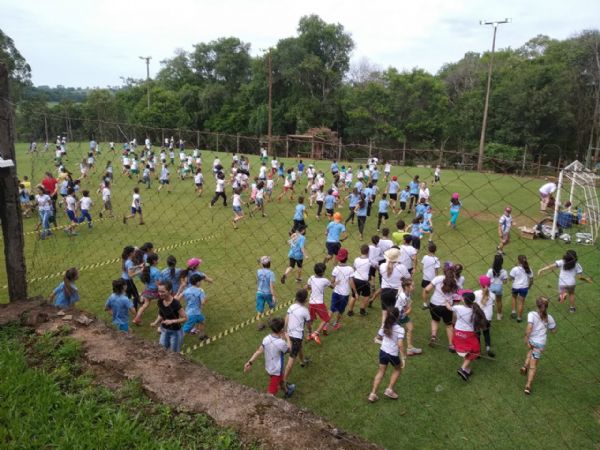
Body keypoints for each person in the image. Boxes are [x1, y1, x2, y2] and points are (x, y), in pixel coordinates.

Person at [244, 317, 296, 398]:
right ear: (282, 329)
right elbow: (289, 349)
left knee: (281, 380)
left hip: (269, 367)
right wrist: (288, 338)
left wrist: (250, 362)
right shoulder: (281, 343)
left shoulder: (266, 338)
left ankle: (287, 391)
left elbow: (259, 351)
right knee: (270, 394)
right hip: (276, 370)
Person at [368, 307, 406, 402]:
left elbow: (377, 337)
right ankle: (389, 390)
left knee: (381, 372)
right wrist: (403, 357)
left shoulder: (384, 325)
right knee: (398, 369)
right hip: (393, 354)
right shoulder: (400, 329)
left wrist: (378, 340)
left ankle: (373, 394)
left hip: (383, 352)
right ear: (397, 317)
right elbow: (400, 344)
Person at [521, 297, 557, 395]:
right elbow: (554, 331)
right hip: (540, 343)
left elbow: (529, 327)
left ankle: (524, 367)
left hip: (531, 341)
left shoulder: (531, 314)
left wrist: (526, 338)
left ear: (537, 305)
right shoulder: (549, 317)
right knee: (533, 365)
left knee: (530, 351)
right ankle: (528, 386)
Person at [450, 291, 487, 381]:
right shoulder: (476, 309)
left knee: (465, 349)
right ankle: (462, 368)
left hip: (458, 332)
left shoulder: (457, 307)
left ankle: (466, 369)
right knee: (474, 350)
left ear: (463, 300)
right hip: (469, 334)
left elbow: (448, 307)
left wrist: (446, 300)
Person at [422, 266, 458, 352]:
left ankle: (433, 336)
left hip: (434, 304)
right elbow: (455, 295)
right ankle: (450, 345)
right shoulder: (455, 281)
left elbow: (427, 289)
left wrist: (425, 301)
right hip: (447, 306)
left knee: (435, 320)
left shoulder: (438, 278)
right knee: (449, 325)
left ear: (444, 272)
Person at [283, 289, 312, 385]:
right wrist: (309, 331)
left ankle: (302, 361)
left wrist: (285, 331)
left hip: (289, 335)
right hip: (296, 337)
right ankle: (284, 380)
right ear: (305, 300)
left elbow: (286, 319)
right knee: (291, 360)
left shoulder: (291, 307)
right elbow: (308, 324)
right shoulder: (305, 311)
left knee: (299, 348)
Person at [150, 280, 188, 353]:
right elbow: (161, 313)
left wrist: (172, 321)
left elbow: (185, 318)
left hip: (176, 333)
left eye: (163, 291)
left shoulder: (175, 304)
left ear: (170, 291)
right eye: (159, 291)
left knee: (174, 354)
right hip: (164, 330)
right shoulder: (160, 301)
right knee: (162, 350)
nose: (160, 294)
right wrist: (155, 322)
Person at [306, 263, 332, 344]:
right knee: (326, 318)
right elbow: (332, 286)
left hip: (311, 302)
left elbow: (308, 286)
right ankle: (316, 333)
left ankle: (309, 334)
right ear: (323, 272)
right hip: (319, 303)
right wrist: (336, 282)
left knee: (310, 320)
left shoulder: (311, 278)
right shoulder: (325, 280)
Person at [133, 253, 161, 325]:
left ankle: (136, 318)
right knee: (163, 303)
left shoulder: (145, 268)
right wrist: (161, 292)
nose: (159, 260)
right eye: (158, 259)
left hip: (147, 290)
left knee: (145, 304)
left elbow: (139, 274)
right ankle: (161, 318)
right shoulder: (156, 271)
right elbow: (158, 284)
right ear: (154, 261)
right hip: (155, 291)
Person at [329, 248, 354, 330]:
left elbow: (332, 282)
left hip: (336, 292)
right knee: (341, 310)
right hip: (345, 294)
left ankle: (325, 324)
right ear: (347, 257)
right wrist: (355, 292)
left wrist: (335, 283)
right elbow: (351, 282)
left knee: (332, 309)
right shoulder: (350, 269)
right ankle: (336, 323)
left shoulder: (336, 268)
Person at [179, 273, 208, 340]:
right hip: (194, 314)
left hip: (189, 311)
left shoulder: (187, 290)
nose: (201, 282)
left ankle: (202, 336)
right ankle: (175, 340)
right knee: (185, 330)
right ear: (197, 282)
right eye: (200, 281)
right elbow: (202, 303)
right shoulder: (200, 291)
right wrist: (205, 299)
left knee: (202, 321)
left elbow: (178, 298)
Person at [347, 244, 371, 316]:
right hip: (364, 281)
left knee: (354, 296)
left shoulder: (356, 259)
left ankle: (350, 311)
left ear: (360, 251)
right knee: (367, 295)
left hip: (355, 279)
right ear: (368, 252)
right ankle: (362, 310)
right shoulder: (369, 260)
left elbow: (354, 268)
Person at [474, 276, 496, 357]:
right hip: (488, 317)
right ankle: (488, 348)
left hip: (478, 316)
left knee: (477, 334)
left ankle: (478, 352)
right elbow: (493, 306)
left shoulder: (475, 293)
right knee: (486, 333)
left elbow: (473, 305)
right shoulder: (493, 295)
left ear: (480, 284)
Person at [509, 255, 534, 322]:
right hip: (524, 288)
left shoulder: (515, 269)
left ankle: (513, 311)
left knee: (514, 298)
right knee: (521, 303)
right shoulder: (529, 268)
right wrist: (529, 286)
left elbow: (510, 278)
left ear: (518, 260)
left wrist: (513, 279)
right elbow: (531, 279)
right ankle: (519, 318)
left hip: (515, 287)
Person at [256, 256, 277, 330]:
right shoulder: (271, 273)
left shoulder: (258, 271)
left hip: (259, 292)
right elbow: (271, 286)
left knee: (259, 309)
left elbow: (257, 281)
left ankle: (259, 325)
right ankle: (270, 319)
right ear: (270, 263)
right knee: (272, 306)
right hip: (268, 293)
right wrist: (273, 296)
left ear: (262, 264)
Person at [487, 254, 508, 320]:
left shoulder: (490, 270)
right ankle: (499, 315)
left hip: (491, 287)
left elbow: (487, 279)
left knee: (490, 301)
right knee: (499, 301)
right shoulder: (504, 271)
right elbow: (505, 282)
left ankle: (490, 314)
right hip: (499, 287)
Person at [420, 242, 440, 309]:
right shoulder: (436, 259)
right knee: (437, 290)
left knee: (424, 290)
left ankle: (425, 304)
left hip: (425, 277)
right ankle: (436, 302)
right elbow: (436, 270)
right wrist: (437, 278)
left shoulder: (425, 257)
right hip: (433, 278)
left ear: (428, 250)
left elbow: (423, 265)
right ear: (435, 250)